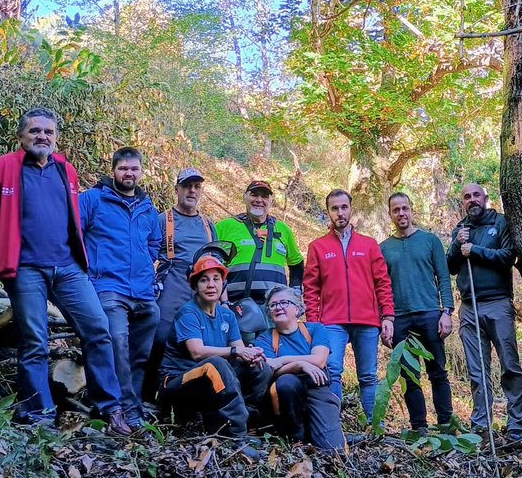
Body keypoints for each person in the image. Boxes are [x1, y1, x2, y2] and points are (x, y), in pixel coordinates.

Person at [0, 107, 130, 434]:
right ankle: (39, 414)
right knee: (34, 340)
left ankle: (109, 407)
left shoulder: (65, 170)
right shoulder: (1, 169)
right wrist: (3, 246)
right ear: (21, 136)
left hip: (68, 267)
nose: (42, 136)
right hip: (25, 268)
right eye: (35, 130)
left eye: (48, 132)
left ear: (56, 137)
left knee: (98, 328)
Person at [78, 147, 163, 428]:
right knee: (116, 341)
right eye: (123, 168)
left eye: (134, 169)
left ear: (141, 172)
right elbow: (74, 234)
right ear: (113, 170)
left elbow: (154, 243)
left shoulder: (148, 208)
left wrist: (145, 264)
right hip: (107, 286)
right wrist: (89, 268)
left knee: (139, 355)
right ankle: (125, 410)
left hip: (143, 291)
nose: (129, 173)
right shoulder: (93, 199)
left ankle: (131, 404)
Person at [158, 255, 271, 445]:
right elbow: (197, 352)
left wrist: (252, 354)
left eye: (216, 279)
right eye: (204, 280)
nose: (211, 285)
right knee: (216, 364)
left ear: (223, 284)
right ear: (195, 286)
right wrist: (236, 352)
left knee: (260, 368)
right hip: (177, 382)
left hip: (210, 381)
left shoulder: (227, 315)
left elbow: (240, 349)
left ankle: (248, 422)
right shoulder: (188, 313)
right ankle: (234, 436)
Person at [303, 189, 394, 421]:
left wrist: (387, 316)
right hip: (332, 321)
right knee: (332, 370)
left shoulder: (369, 244)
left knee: (368, 375)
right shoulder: (318, 247)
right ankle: (332, 424)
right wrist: (313, 324)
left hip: (367, 320)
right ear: (328, 212)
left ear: (351, 209)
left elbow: (382, 282)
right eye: (334, 208)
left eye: (344, 207)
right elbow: (311, 288)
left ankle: (375, 426)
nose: (340, 213)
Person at [447, 183, 522, 441]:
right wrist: (458, 245)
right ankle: (481, 425)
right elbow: (450, 267)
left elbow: (509, 256)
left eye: (476, 195)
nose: (472, 200)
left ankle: (516, 424)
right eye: (467, 197)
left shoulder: (500, 222)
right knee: (477, 370)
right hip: (469, 307)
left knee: (510, 365)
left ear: (485, 198)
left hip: (498, 303)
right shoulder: (461, 229)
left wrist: (476, 250)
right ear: (463, 202)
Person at [379, 192, 454, 432]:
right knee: (409, 377)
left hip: (430, 314)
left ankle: (445, 425)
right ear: (390, 214)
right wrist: (384, 320)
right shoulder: (384, 248)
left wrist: (447, 311)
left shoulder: (430, 241)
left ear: (411, 210)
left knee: (438, 373)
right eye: (396, 210)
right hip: (400, 319)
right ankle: (418, 427)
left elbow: (443, 278)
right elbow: (380, 287)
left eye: (405, 208)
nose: (401, 213)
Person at [144, 168, 217, 401]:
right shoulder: (161, 220)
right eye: (186, 186)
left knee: (201, 341)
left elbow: (216, 261)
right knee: (160, 337)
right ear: (177, 189)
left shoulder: (208, 225)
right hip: (172, 281)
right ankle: (148, 394)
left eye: (196, 187)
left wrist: (222, 297)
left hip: (202, 286)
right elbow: (146, 256)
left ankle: (190, 396)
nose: (191, 191)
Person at [256, 285, 345, 452]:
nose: (278, 307)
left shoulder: (315, 329)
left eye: (284, 302)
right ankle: (296, 437)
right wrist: (300, 364)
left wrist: (284, 360)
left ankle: (319, 432)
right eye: (273, 305)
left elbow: (319, 360)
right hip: (285, 395)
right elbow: (270, 370)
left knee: (333, 450)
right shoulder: (265, 338)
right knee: (286, 382)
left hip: (317, 388)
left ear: (297, 308)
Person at [214, 180, 304, 332]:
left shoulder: (283, 229)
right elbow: (213, 265)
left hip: (275, 310)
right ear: (245, 197)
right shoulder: (225, 227)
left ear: (271, 201)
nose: (259, 200)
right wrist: (221, 301)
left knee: (274, 346)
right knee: (238, 346)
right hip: (235, 307)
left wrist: (295, 293)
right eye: (254, 195)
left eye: (264, 196)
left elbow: (296, 264)